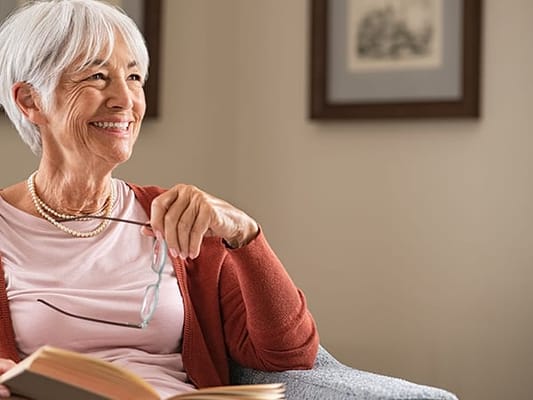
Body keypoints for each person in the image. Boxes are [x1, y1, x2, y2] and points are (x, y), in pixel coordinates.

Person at [0, 0, 319, 397]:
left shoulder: (180, 218)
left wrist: (245, 233)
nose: (125, 99)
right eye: (98, 76)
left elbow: (289, 354)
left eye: (134, 77)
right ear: (30, 101)